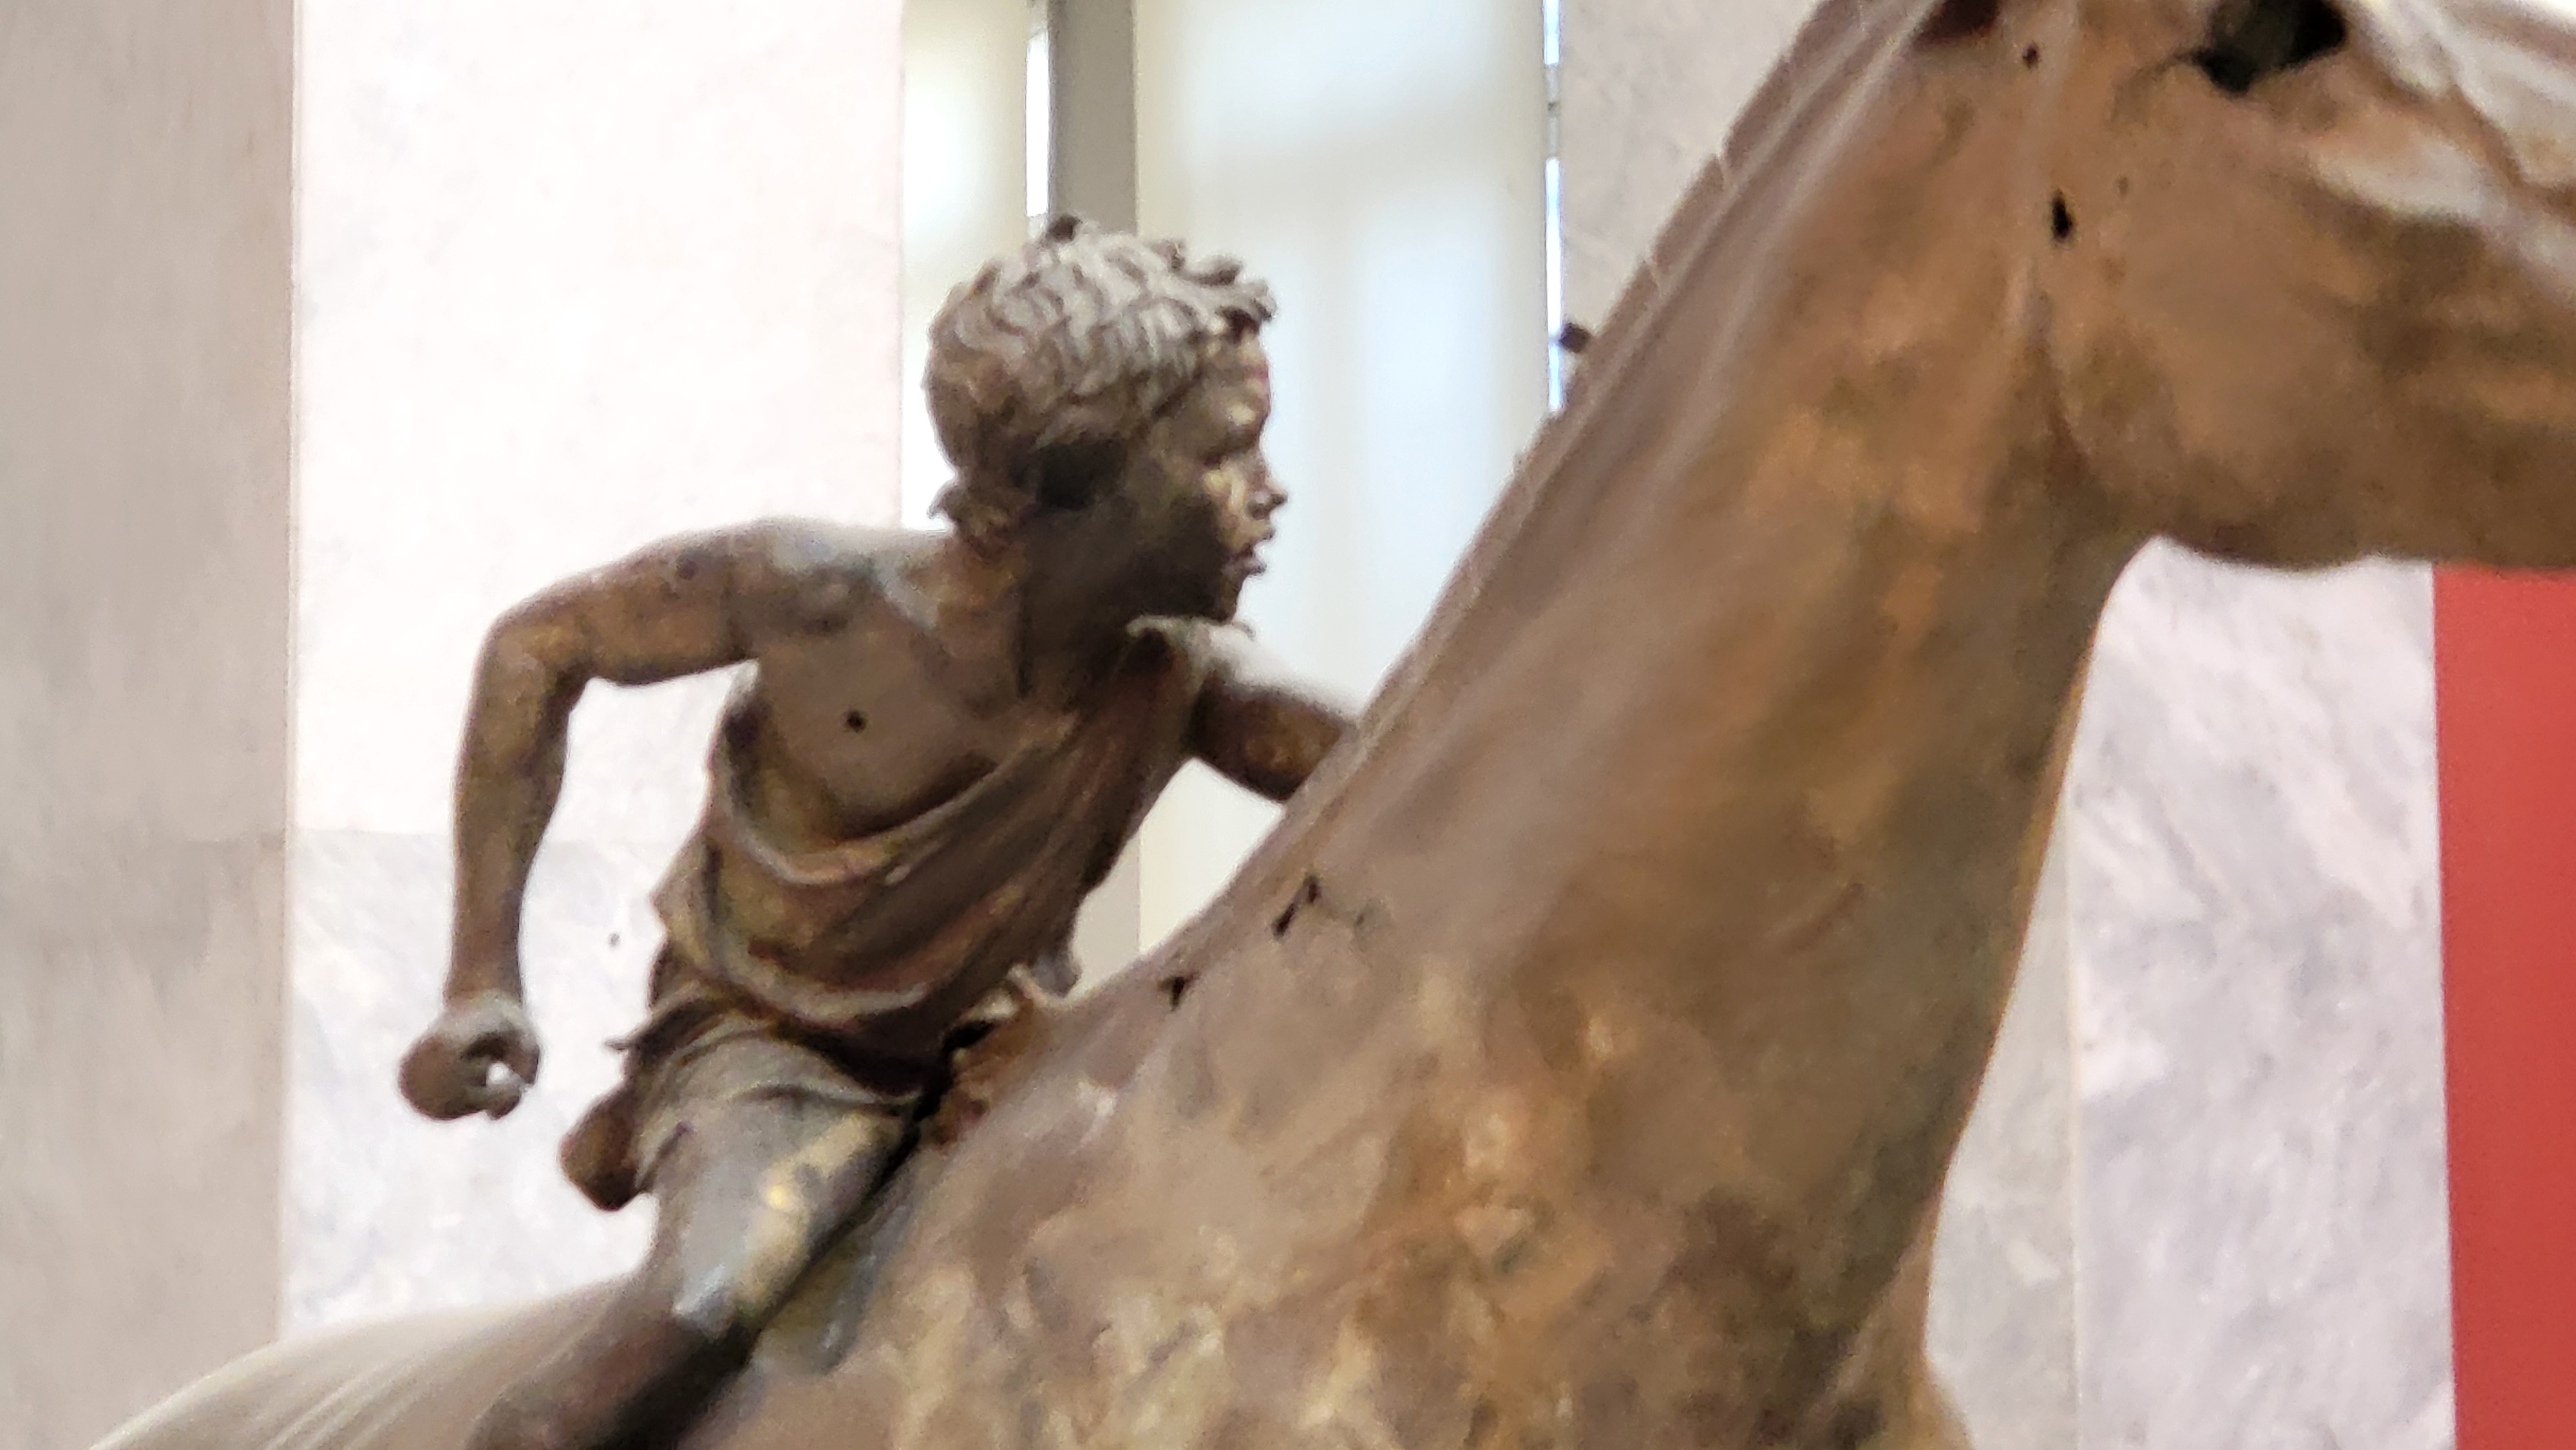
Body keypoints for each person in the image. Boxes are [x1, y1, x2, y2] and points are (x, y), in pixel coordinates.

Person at [395, 216, 1357, 1450]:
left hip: (1008, 1056)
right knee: (698, 1305)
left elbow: (1417, 742)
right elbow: (541, 649)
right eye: (1226, 451)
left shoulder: (1186, 680)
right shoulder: (815, 596)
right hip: (783, 1058)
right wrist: (481, 981)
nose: (1270, 491)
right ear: (1080, 474)